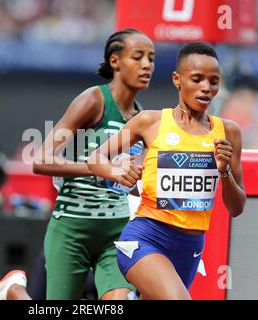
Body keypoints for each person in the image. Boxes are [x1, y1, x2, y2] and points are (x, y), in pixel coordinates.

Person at [88, 42, 246, 300]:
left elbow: (237, 207)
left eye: (214, 81)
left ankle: (12, 292)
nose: (206, 88)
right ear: (177, 79)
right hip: (146, 237)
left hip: (190, 248)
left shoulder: (229, 133)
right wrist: (116, 172)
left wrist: (224, 173)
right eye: (197, 79)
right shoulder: (151, 122)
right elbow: (97, 157)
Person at [29, 28, 154, 300]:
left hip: (117, 230)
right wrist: (101, 168)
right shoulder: (93, 101)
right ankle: (13, 292)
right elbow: (41, 160)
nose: (147, 65)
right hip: (72, 228)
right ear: (115, 61)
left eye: (151, 58)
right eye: (138, 57)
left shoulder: (141, 117)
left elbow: (130, 183)